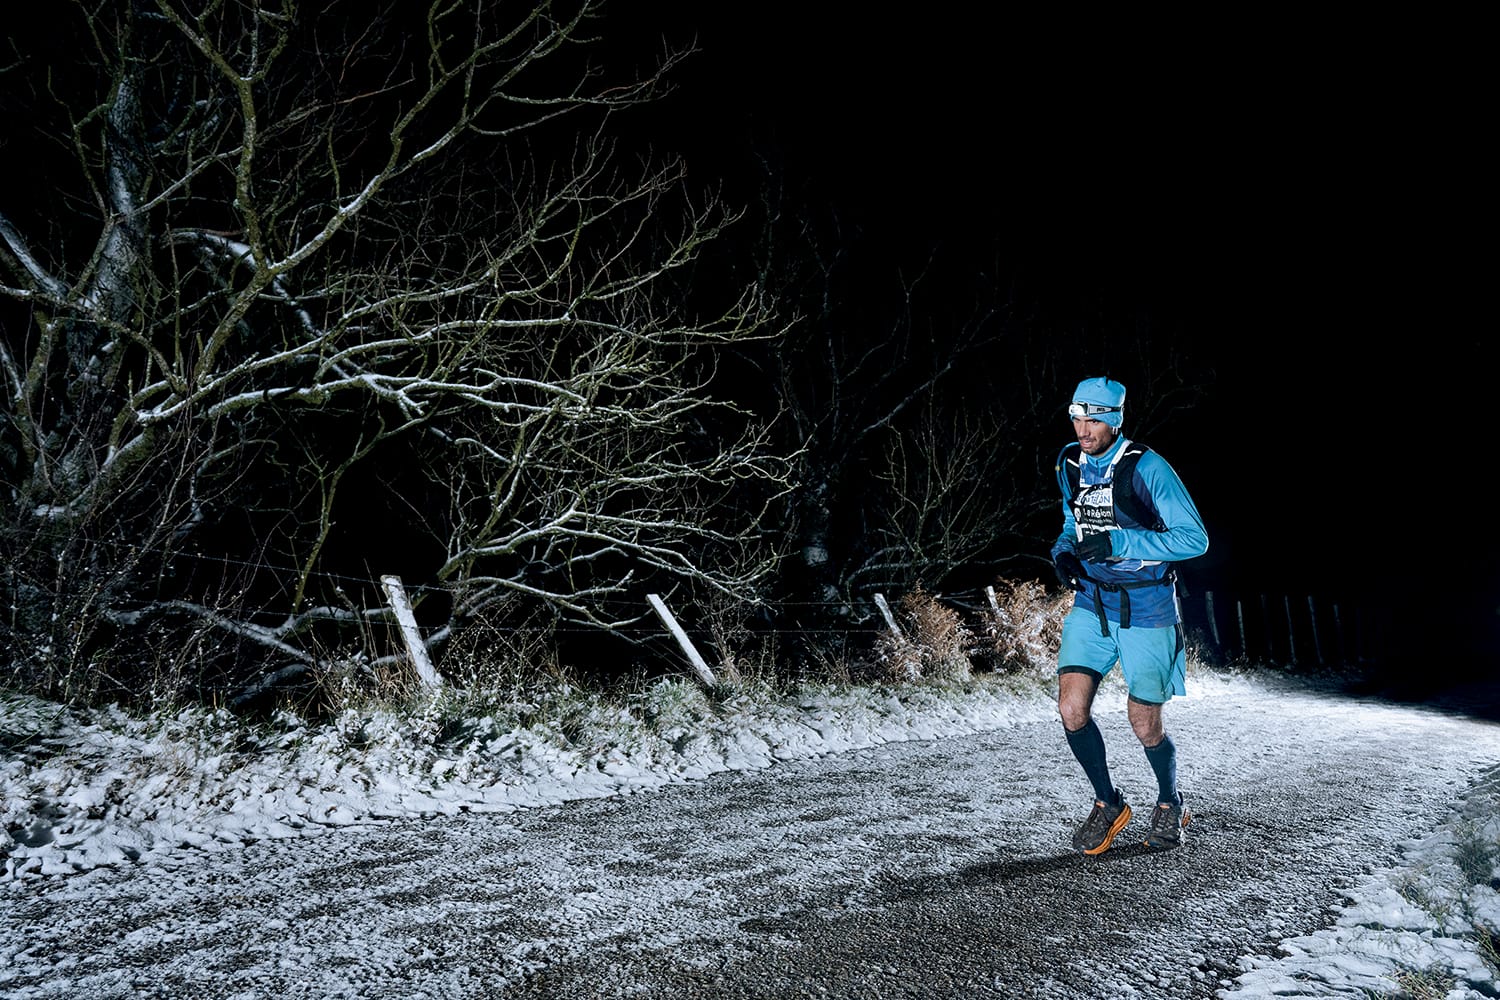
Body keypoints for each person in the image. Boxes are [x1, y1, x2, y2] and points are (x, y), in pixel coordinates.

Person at [1050, 376, 1208, 854]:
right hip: (1093, 603)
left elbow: (1194, 539)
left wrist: (1122, 542)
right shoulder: (1070, 463)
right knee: (1070, 707)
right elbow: (1071, 521)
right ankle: (1108, 803)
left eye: (1094, 418)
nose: (1084, 428)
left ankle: (1169, 801)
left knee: (1144, 722)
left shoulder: (1148, 468)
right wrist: (1062, 551)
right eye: (1078, 417)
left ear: (1115, 420)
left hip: (1146, 605)